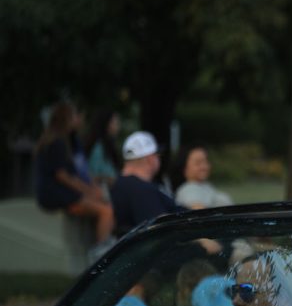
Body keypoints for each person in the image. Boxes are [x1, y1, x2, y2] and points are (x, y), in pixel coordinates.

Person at [34, 101, 114, 246]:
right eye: (74, 115)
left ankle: (100, 245)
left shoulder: (67, 141)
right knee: (106, 211)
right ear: (66, 119)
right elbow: (63, 176)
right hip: (57, 195)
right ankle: (102, 253)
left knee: (106, 204)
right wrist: (88, 190)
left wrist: (91, 189)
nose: (78, 119)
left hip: (62, 192)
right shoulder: (56, 143)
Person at [109, 131, 184, 235]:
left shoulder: (123, 184)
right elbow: (162, 229)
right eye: (157, 155)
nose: (159, 159)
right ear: (150, 159)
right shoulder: (140, 189)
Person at [171, 144, 233, 209]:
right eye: (198, 163)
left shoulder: (207, 187)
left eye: (206, 161)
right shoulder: (188, 190)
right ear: (184, 168)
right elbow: (201, 213)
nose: (204, 167)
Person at [85, 109, 122, 187]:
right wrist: (111, 180)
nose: (118, 126)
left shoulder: (108, 146)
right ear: (106, 124)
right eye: (115, 122)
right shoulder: (98, 148)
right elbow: (92, 176)